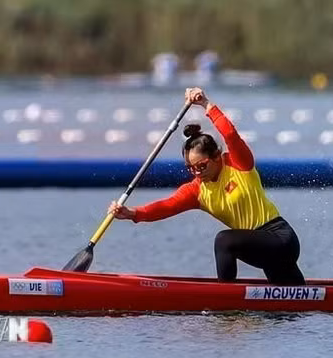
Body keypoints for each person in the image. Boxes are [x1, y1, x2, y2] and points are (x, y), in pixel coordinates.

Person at [108, 87, 306, 286]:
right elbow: (165, 206)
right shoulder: (196, 191)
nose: (197, 172)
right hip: (260, 250)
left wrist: (205, 104)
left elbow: (230, 134)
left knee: (224, 240)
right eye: (190, 168)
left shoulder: (238, 163)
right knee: (290, 307)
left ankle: (226, 302)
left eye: (201, 166)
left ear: (216, 157)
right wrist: (132, 213)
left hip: (280, 239)